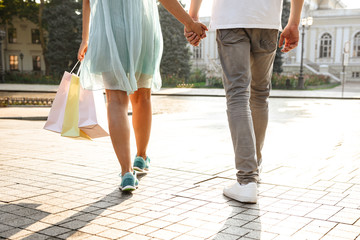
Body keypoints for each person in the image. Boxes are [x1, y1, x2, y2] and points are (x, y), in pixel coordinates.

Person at [78, 0, 207, 192]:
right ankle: (141, 156)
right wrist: (189, 22)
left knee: (115, 101)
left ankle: (126, 173)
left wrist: (85, 38)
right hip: (142, 26)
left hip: (108, 30)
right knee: (142, 97)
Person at [185, 0, 304, 203]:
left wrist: (192, 17)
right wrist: (293, 22)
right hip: (266, 18)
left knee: (238, 94)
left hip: (231, 17)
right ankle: (253, 170)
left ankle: (247, 180)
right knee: (260, 94)